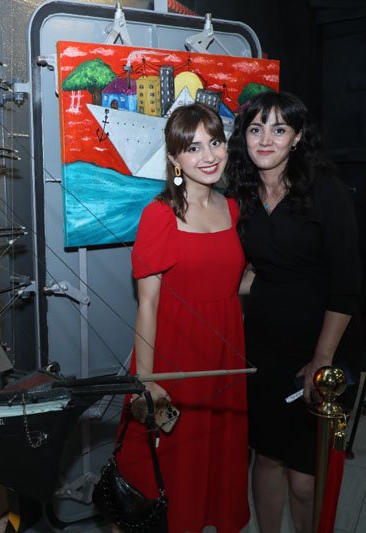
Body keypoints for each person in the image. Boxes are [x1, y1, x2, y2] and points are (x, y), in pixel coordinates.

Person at [226, 91, 362, 533]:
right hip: (263, 348)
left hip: (321, 347)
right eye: (256, 129)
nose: (266, 139)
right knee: (266, 458)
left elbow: (347, 284)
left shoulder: (326, 191)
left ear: (298, 137)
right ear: (244, 137)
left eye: (279, 129)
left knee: (305, 479)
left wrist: (322, 357)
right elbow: (255, 269)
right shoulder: (242, 194)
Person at [116, 103, 250, 533]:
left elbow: (233, 283)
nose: (209, 156)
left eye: (215, 142)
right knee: (164, 472)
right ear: (174, 158)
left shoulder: (232, 209)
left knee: (213, 461)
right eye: (193, 148)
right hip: (174, 360)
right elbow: (148, 305)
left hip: (223, 355)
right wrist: (148, 379)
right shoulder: (159, 215)